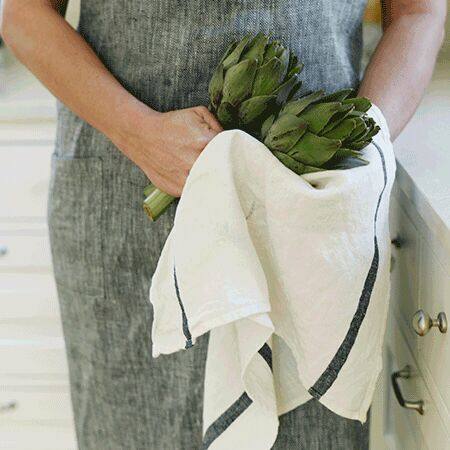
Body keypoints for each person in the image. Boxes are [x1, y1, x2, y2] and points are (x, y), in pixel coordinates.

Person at [1, 1, 445, 449]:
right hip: (123, 213)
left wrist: (357, 145)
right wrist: (137, 132)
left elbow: (418, 14)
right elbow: (24, 14)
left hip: (308, 228)